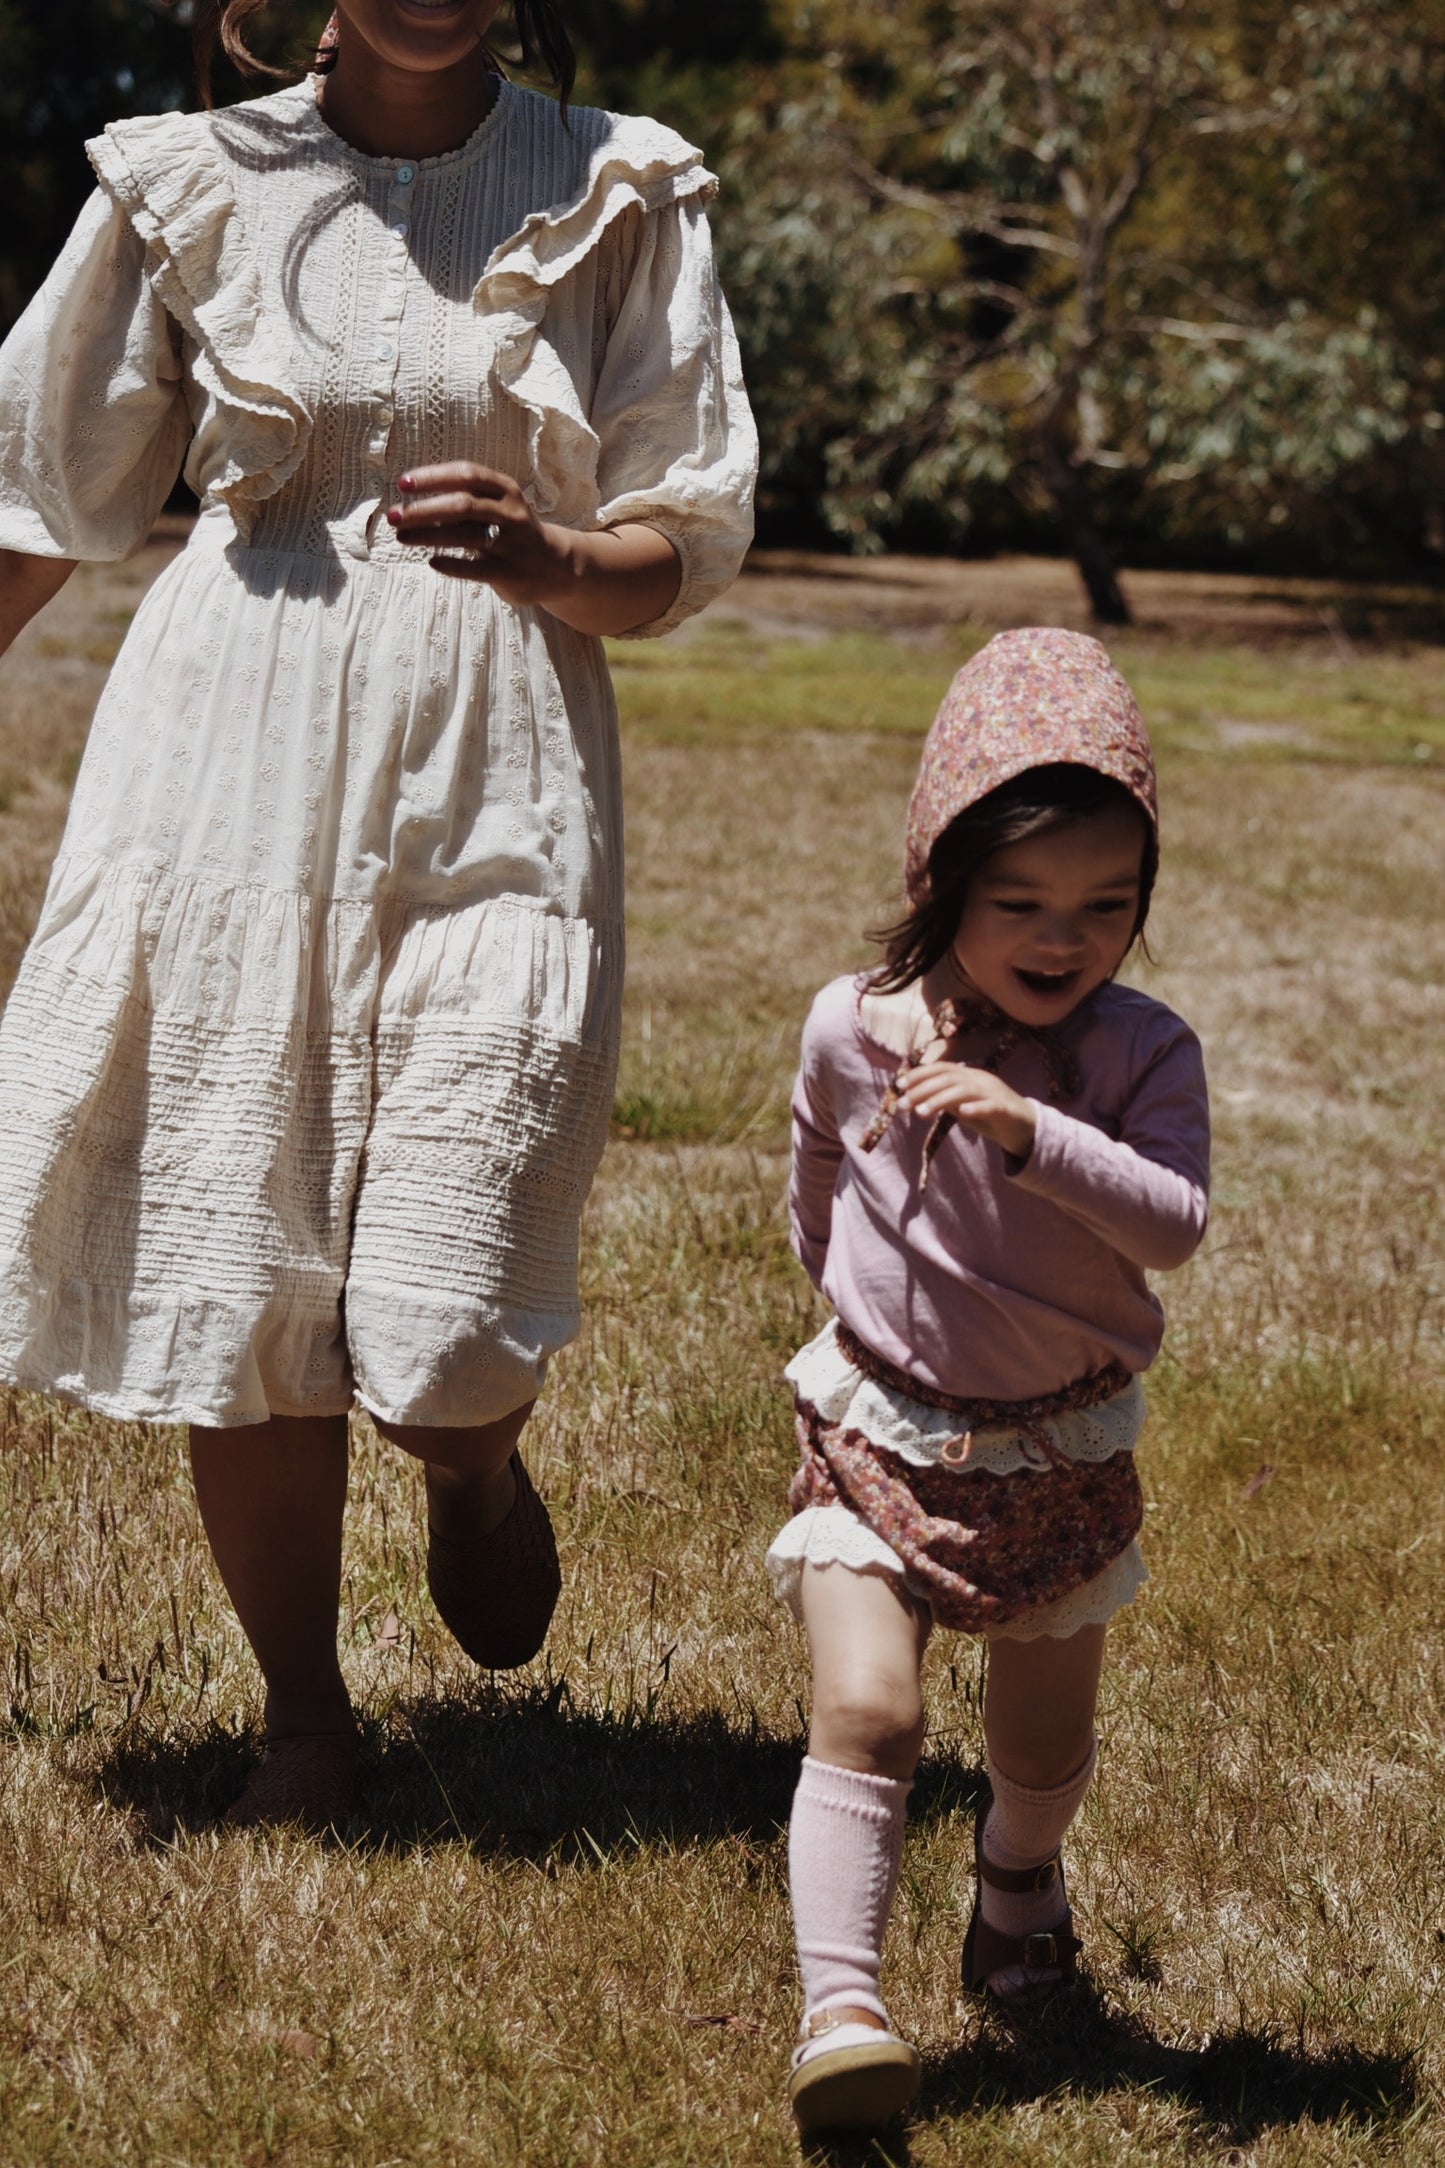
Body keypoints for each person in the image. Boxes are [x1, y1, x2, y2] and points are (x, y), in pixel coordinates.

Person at [0, 0, 755, 1833]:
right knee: (236, 1251)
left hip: (495, 749)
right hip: (228, 762)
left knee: (443, 1320)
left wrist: (560, 556)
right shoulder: (186, 180)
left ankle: (467, 1465)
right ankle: (303, 1721)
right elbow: (41, 495)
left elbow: (691, 523)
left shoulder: (617, 185)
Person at [767, 629, 1210, 2135]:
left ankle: (1015, 1887)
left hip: (1053, 1453)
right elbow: (819, 1162)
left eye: (1103, 906)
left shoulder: (1141, 1055)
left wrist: (1033, 1132)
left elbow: (1176, 1225)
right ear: (936, 886)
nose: (1057, 937)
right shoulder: (855, 1023)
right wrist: (842, 1290)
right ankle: (842, 2012)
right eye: (1015, 902)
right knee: (868, 1713)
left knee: (1033, 1751)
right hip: (876, 1429)